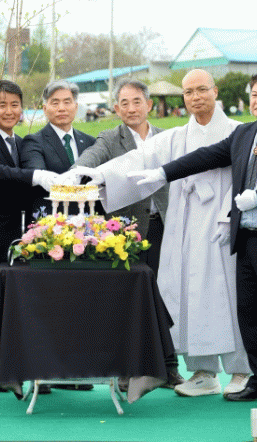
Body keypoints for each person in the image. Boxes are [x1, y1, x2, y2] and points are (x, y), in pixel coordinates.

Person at [129, 71, 257, 408]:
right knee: (249, 314)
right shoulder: (245, 133)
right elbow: (205, 157)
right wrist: (162, 173)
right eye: (254, 95)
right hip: (245, 240)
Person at [69, 69, 251, 398]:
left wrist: (230, 214)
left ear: (215, 91)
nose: (195, 97)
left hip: (220, 222)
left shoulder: (238, 132)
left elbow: (247, 177)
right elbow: (139, 157)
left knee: (227, 293)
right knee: (189, 291)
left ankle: (242, 370)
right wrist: (98, 175)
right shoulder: (177, 136)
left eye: (201, 89)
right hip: (185, 220)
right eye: (189, 92)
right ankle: (204, 371)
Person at [67, 78, 182, 390]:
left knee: (164, 294)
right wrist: (78, 173)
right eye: (124, 103)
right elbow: (90, 158)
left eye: (137, 102)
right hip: (124, 233)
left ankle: (169, 367)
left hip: (164, 227)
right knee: (126, 298)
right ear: (116, 109)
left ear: (148, 104)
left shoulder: (168, 138)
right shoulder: (109, 138)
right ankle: (125, 369)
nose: (131, 108)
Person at [0, 80, 58, 394]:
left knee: (20, 307)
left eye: (14, 105)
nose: (9, 111)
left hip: (21, 239)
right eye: (2, 105)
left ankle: (15, 369)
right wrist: (36, 176)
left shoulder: (20, 143)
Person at [21, 80, 96, 216]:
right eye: (55, 103)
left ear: (76, 107)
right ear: (45, 109)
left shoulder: (90, 142)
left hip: (88, 220)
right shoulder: (33, 142)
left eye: (67, 102)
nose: (61, 108)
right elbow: (37, 175)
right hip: (51, 222)